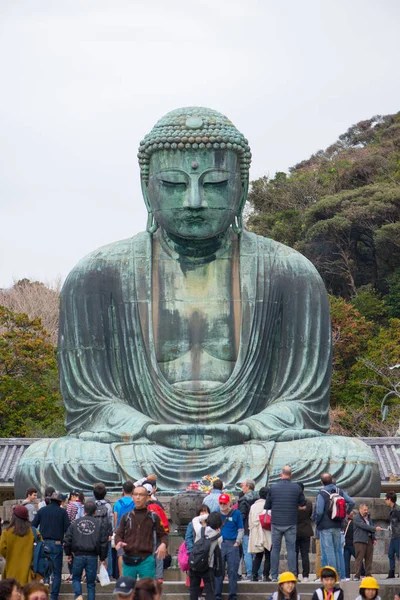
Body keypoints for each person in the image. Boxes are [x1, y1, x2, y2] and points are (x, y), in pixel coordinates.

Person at [15, 107, 381, 499]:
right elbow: (91, 405)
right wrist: (145, 428)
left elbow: (303, 403)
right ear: (146, 188)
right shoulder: (97, 274)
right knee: (42, 463)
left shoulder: (290, 272)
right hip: (142, 447)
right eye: (173, 183)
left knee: (353, 461)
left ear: (240, 187)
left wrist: (249, 428)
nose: (193, 201)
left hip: (250, 446)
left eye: (215, 183)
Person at [115, 485, 168, 579]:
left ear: (147, 497)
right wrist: (118, 541)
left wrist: (163, 544)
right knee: (128, 590)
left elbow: (163, 535)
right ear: (132, 496)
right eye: (135, 494)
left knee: (147, 590)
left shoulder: (153, 517)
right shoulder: (126, 517)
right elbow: (119, 533)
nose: (138, 497)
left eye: (141, 495)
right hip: (128, 559)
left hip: (146, 560)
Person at [265, 466, 306, 581]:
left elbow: (267, 506)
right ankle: (293, 574)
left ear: (280, 475)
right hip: (291, 522)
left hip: (276, 522)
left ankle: (274, 576)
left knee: (275, 549)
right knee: (291, 550)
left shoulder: (273, 488)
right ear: (291, 475)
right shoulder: (297, 488)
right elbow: (303, 504)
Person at [64, 500, 109, 600]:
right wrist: (102, 558)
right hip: (92, 556)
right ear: (95, 512)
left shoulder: (75, 523)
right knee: (91, 583)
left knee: (76, 578)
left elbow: (67, 539)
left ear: (84, 511)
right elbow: (103, 542)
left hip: (78, 555)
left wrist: (68, 553)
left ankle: (78, 595)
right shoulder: (99, 524)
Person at [32, 492, 70, 600]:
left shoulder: (42, 511)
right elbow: (67, 529)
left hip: (43, 543)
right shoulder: (62, 512)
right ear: (60, 502)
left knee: (44, 569)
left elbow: (33, 525)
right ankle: (54, 597)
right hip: (57, 544)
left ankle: (45, 591)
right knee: (57, 572)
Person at [315, 473, 355, 573]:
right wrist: (346, 513)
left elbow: (319, 511)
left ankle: (333, 574)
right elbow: (352, 502)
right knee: (338, 551)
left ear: (321, 482)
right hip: (338, 524)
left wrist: (317, 521)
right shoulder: (339, 491)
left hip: (325, 526)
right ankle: (340, 574)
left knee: (329, 551)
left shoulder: (322, 493)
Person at [215, 493, 244, 600]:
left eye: (224, 503)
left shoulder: (236, 513)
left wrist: (237, 542)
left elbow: (240, 529)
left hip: (232, 543)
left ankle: (232, 596)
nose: (222, 505)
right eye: (220, 503)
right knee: (218, 570)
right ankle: (217, 595)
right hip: (219, 543)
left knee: (232, 571)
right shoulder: (216, 513)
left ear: (228, 503)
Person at [0, 505, 38, 584]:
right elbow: (41, 548)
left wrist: (10, 556)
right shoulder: (34, 532)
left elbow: (2, 549)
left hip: (11, 572)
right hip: (29, 573)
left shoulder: (6, 532)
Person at [189, 511, 222, 600]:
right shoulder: (218, 536)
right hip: (208, 566)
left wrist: (206, 515)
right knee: (210, 590)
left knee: (193, 590)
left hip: (195, 563)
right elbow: (218, 549)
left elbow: (195, 520)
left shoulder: (200, 530)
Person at [352, 504, 382, 581]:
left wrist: (373, 538)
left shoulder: (368, 518)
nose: (366, 511)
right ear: (360, 510)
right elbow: (364, 526)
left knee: (369, 558)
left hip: (369, 539)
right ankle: (357, 575)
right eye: (364, 510)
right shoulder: (356, 518)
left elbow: (370, 527)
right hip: (360, 540)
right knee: (359, 558)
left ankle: (368, 574)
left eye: (367, 509)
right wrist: (375, 528)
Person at [248, 486, 271, 581]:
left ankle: (254, 575)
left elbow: (250, 521)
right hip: (267, 531)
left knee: (258, 555)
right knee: (268, 554)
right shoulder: (269, 504)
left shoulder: (253, 506)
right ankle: (266, 575)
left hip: (255, 532)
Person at [114, 481, 136, 577]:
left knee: (121, 554)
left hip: (121, 531)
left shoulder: (118, 503)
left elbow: (115, 518)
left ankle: (122, 575)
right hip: (133, 530)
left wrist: (116, 529)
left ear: (123, 490)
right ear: (133, 490)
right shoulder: (135, 502)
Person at [237, 479, 258, 580]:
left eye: (243, 486)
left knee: (247, 552)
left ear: (248, 486)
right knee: (257, 552)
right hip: (257, 528)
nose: (242, 488)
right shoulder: (259, 497)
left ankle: (250, 573)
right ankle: (258, 573)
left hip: (246, 529)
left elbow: (242, 516)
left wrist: (239, 529)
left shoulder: (243, 500)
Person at [295, 483, 313, 582]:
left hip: (295, 530)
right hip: (306, 530)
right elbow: (310, 515)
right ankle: (305, 575)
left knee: (295, 554)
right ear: (303, 490)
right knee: (305, 554)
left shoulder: (293, 503)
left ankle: (295, 574)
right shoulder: (309, 503)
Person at [385, 491, 400, 579]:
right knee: (390, 554)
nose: (385, 501)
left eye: (386, 499)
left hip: (398, 535)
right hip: (394, 535)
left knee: (398, 554)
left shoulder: (397, 509)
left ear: (390, 500)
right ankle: (392, 572)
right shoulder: (393, 509)